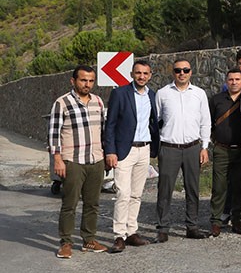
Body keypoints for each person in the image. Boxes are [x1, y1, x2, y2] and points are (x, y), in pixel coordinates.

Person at [50, 65, 108, 258]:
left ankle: (89, 240)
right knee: (70, 204)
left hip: (96, 159)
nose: (87, 84)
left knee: (92, 204)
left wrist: (105, 154)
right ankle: (66, 242)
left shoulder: (98, 101)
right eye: (83, 80)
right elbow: (54, 133)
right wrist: (57, 159)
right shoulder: (62, 103)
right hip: (73, 161)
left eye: (91, 81)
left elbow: (103, 130)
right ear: (73, 81)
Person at [103, 60, 159, 253]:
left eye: (145, 73)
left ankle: (132, 232)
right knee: (123, 194)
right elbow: (110, 124)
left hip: (144, 150)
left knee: (136, 194)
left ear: (150, 75)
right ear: (132, 74)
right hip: (123, 151)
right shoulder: (120, 94)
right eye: (138, 73)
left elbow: (154, 122)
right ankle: (119, 235)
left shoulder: (152, 95)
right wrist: (110, 151)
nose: (141, 76)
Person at [155, 59, 211, 242]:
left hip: (192, 148)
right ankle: (163, 228)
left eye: (185, 70)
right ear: (173, 72)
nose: (182, 73)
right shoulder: (163, 93)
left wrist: (204, 147)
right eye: (178, 70)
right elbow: (156, 120)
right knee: (165, 189)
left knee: (192, 189)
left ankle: (192, 226)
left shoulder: (199, 94)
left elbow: (205, 121)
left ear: (191, 72)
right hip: (169, 147)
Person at [208, 69, 241, 237]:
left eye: (237, 79)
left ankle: (237, 221)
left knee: (239, 187)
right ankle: (216, 221)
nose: (234, 82)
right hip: (222, 149)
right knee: (219, 187)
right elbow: (208, 122)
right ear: (226, 81)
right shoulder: (216, 100)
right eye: (231, 79)